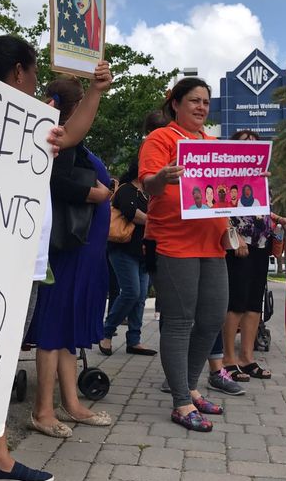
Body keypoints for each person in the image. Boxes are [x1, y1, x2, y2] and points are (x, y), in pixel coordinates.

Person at [0, 36, 111, 481]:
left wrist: (96, 92)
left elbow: (70, 134)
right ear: (21, 74)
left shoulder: (20, 121)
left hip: (17, 260)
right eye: (33, 73)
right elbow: (70, 136)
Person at [26, 75, 114, 438]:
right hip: (67, 251)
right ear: (75, 107)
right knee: (53, 330)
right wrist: (93, 193)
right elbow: (56, 181)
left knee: (65, 334)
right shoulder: (59, 138)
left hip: (81, 252)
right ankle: (43, 410)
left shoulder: (74, 142)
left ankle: (70, 403)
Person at [139, 77, 228, 432]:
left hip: (214, 242)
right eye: (194, 100)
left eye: (206, 102)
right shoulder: (160, 139)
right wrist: (163, 178)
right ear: (175, 104)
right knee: (179, 322)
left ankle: (192, 386)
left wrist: (253, 179)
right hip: (175, 242)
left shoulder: (213, 142)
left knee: (211, 318)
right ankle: (180, 401)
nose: (202, 107)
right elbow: (148, 184)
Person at [222, 129, 286, 381]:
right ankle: (228, 358)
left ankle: (247, 357)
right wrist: (235, 236)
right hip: (238, 246)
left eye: (254, 144)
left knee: (255, 303)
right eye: (244, 143)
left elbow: (263, 210)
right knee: (236, 302)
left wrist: (281, 219)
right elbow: (219, 211)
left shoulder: (262, 179)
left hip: (262, 244)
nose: (250, 147)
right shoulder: (226, 176)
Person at [99, 159, 155, 357]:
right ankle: (106, 333)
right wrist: (155, 221)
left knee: (140, 298)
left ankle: (134, 340)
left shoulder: (148, 194)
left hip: (144, 251)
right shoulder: (125, 189)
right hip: (123, 249)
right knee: (132, 292)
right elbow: (132, 213)